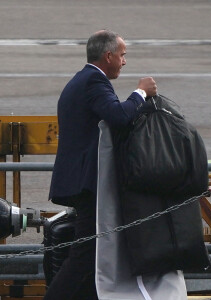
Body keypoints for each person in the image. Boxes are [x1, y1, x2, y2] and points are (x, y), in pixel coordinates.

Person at [44, 29, 157, 300]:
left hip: (79, 180)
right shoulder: (94, 81)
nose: (124, 61)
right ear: (108, 56)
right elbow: (119, 116)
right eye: (122, 55)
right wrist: (141, 92)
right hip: (87, 183)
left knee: (93, 257)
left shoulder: (82, 80)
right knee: (86, 255)